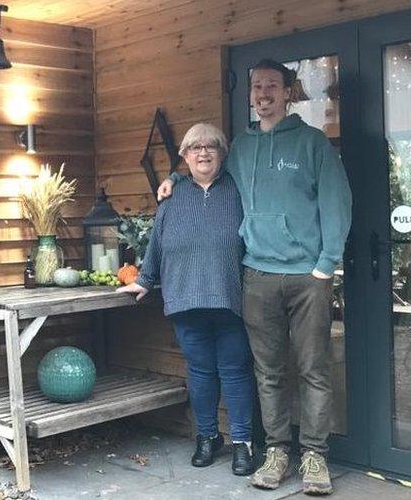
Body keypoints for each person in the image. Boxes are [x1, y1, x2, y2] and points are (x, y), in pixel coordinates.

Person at [156, 59, 352, 495]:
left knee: (313, 369)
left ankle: (315, 455)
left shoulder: (312, 143)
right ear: (250, 95)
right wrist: (172, 177)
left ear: (288, 92)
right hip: (258, 275)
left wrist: (326, 264)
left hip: (306, 276)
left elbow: (338, 203)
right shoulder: (241, 148)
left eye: (272, 86)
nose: (263, 94)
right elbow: (202, 170)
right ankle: (278, 450)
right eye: (257, 87)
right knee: (267, 371)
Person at [118, 123, 256, 476]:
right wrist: (145, 280)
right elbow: (157, 243)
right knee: (200, 373)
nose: (203, 152)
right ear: (184, 157)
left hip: (230, 299)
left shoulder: (238, 189)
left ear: (222, 153)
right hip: (185, 300)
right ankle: (208, 437)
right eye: (195, 148)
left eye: (211, 146)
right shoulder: (172, 195)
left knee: (235, 371)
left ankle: (242, 441)